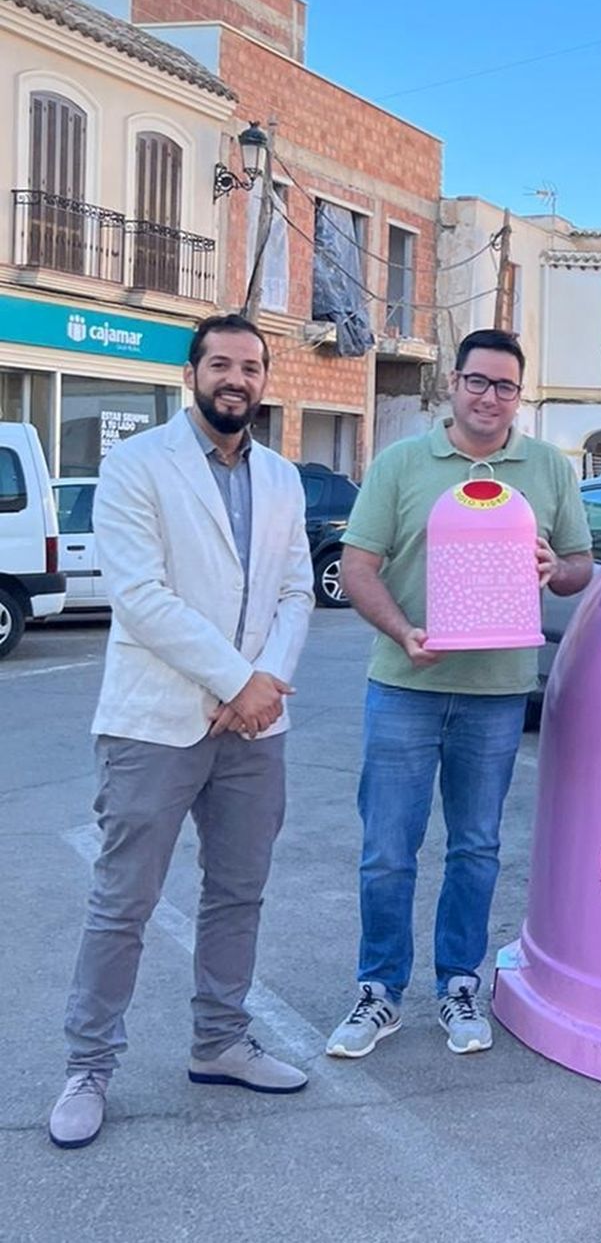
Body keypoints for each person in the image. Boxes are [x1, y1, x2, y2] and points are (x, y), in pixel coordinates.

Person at [49, 314, 314, 1150]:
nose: (237, 378)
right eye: (221, 363)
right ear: (191, 373)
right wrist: (239, 681)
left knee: (237, 891)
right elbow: (140, 596)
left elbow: (297, 591)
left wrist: (262, 685)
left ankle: (220, 1041)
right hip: (155, 722)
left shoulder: (282, 477)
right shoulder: (135, 464)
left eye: (252, 366)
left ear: (264, 379)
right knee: (122, 902)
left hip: (256, 727)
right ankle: (88, 1065)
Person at [326, 329, 592, 1059]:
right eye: (478, 381)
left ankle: (459, 985)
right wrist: (403, 631)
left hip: (497, 692)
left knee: (476, 848)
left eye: (505, 386)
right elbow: (357, 567)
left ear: (518, 395)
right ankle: (379, 990)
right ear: (454, 383)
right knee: (388, 850)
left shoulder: (547, 468)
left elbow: (580, 565)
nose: (489, 397)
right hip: (404, 685)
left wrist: (555, 567)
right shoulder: (401, 464)